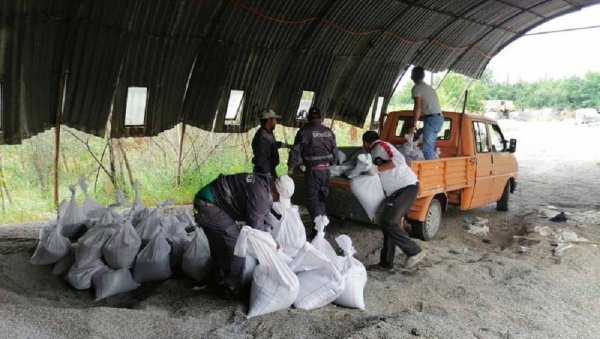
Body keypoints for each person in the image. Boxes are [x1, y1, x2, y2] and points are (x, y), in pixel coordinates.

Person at [192, 172, 275, 298]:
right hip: (209, 205)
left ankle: (218, 278)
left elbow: (260, 215)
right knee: (237, 245)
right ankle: (232, 288)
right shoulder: (260, 194)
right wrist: (271, 243)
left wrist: (269, 235)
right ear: (277, 193)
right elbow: (256, 226)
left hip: (207, 202)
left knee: (220, 245)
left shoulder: (263, 183)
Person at [362, 131, 426, 270]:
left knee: (388, 221)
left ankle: (414, 251)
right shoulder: (373, 153)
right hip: (394, 192)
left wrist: (377, 169)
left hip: (406, 187)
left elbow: (399, 160)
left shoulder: (381, 145)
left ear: (366, 143)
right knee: (388, 225)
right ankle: (386, 263)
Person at [287, 107, 338, 227]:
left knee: (312, 200)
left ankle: (319, 231)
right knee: (321, 199)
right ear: (320, 118)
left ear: (308, 118)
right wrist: (332, 164)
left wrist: (291, 168)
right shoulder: (329, 131)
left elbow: (296, 151)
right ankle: (320, 228)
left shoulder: (304, 132)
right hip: (326, 171)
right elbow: (335, 151)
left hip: (314, 172)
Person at [409, 66, 443, 160]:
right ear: (423, 76)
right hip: (438, 119)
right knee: (430, 147)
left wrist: (413, 125)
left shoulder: (417, 88)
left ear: (412, 77)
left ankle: (433, 171)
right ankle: (435, 165)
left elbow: (418, 107)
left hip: (431, 120)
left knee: (426, 149)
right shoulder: (429, 88)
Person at [251, 109, 290, 178]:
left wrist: (287, 145)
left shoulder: (267, 133)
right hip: (264, 173)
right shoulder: (262, 138)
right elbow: (262, 160)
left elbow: (272, 145)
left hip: (269, 170)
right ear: (269, 120)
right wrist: (268, 176)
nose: (276, 122)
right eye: (275, 119)